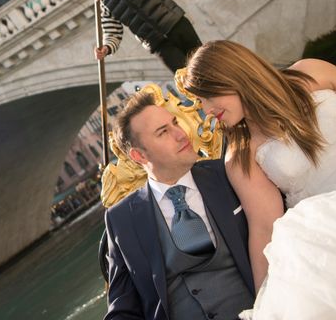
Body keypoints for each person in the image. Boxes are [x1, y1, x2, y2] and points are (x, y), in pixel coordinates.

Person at [182, 40, 336, 316]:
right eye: (199, 101)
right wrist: (265, 301)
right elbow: (264, 229)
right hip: (334, 227)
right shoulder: (241, 154)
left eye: (207, 96)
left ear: (231, 76)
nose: (206, 110)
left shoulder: (312, 73)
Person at [105, 88, 255, 320]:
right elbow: (123, 306)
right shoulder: (121, 219)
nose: (181, 134)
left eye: (175, 122)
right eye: (163, 132)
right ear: (139, 156)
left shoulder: (228, 174)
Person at [77, 0, 202, 72]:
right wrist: (106, 48)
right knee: (186, 81)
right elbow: (112, 33)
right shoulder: (104, 4)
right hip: (158, 45)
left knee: (207, 66)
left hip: (175, 25)